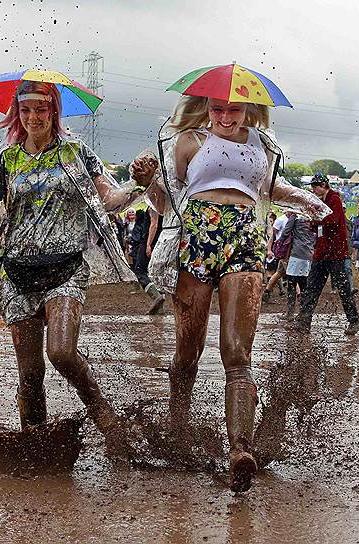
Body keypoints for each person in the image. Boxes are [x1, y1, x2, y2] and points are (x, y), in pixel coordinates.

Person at [0, 80, 156, 448]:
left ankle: (103, 413)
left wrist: (137, 184)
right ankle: (35, 446)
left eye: (41, 109)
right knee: (30, 373)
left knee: (62, 352)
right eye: (26, 110)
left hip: (65, 269)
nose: (33, 117)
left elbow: (110, 201)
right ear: (16, 115)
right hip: (17, 275)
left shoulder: (76, 154)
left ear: (54, 111)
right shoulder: (2, 163)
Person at [147, 95, 328, 493]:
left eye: (233, 110)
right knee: (188, 349)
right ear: (206, 108)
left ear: (248, 110)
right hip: (196, 235)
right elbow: (166, 198)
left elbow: (270, 188)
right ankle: (178, 428)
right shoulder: (188, 141)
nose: (225, 117)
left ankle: (239, 451)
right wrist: (146, 182)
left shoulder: (263, 144)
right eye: (217, 109)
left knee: (236, 350)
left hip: (245, 236)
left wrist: (308, 201)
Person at [293, 173, 359, 335]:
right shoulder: (321, 201)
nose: (313, 189)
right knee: (312, 288)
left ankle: (354, 321)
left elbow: (333, 220)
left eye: (315, 186)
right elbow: (317, 227)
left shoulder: (334, 199)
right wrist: (311, 220)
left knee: (344, 289)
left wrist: (315, 218)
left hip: (336, 253)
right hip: (321, 252)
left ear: (323, 185)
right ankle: (304, 322)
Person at [277, 211, 314, 321]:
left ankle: (290, 313)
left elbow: (286, 232)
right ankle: (304, 312)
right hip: (309, 253)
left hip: (297, 253)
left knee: (291, 283)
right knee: (304, 283)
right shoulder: (313, 216)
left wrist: (279, 243)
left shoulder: (296, 215)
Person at [129, 207, 166, 314]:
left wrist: (148, 244)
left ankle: (156, 296)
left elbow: (154, 224)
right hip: (161, 241)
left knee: (139, 271)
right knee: (157, 274)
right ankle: (159, 309)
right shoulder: (165, 206)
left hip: (148, 241)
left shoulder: (153, 206)